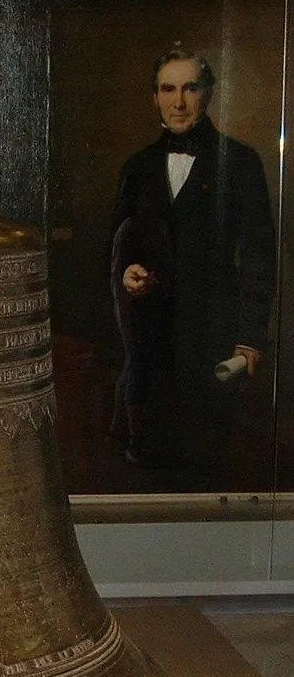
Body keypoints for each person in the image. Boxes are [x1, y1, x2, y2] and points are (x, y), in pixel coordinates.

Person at [110, 48, 276, 470]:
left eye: (190, 88)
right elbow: (116, 247)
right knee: (144, 467)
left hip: (212, 339)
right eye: (168, 89)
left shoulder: (240, 162)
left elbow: (259, 255)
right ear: (155, 97)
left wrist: (251, 338)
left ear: (209, 94)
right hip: (148, 340)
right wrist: (127, 274)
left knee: (206, 463)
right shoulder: (138, 166)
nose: (178, 102)